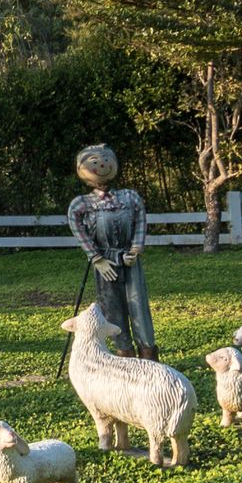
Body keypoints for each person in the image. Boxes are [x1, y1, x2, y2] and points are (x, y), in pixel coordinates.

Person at [66, 143, 155, 357]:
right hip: (106, 262)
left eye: (106, 160)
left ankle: (149, 356)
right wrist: (96, 258)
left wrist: (136, 247)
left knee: (139, 306)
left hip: (129, 259)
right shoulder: (82, 203)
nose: (102, 164)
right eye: (95, 162)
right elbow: (77, 227)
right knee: (112, 307)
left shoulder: (129, 197)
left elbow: (141, 219)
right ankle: (124, 354)